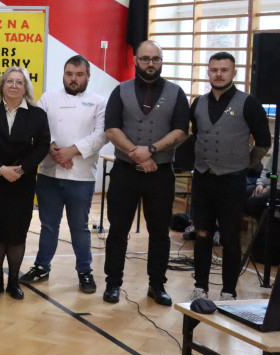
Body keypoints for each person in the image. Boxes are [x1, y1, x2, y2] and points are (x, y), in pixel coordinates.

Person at [102, 40, 189, 306]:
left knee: (160, 232)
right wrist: (135, 152)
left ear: (161, 61)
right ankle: (113, 283)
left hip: (160, 174)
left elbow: (181, 130)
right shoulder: (120, 90)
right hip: (125, 172)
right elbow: (111, 128)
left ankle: (157, 285)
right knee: (118, 230)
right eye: (145, 59)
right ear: (136, 61)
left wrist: (151, 150)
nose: (151, 63)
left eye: (155, 59)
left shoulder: (176, 93)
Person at [20, 55, 107, 294]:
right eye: (69, 74)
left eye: (79, 75)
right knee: (48, 225)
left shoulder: (99, 102)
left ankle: (85, 271)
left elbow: (101, 135)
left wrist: (72, 151)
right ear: (63, 75)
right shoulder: (48, 98)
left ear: (88, 76)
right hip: (50, 172)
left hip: (81, 175)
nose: (73, 79)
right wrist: (53, 149)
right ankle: (42, 266)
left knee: (79, 227)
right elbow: (37, 126)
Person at [188, 52, 270, 301]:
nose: (219, 74)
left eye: (224, 70)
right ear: (208, 72)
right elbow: (196, 135)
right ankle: (200, 286)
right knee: (202, 234)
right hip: (203, 180)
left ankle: (228, 291)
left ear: (234, 73)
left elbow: (263, 143)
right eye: (214, 69)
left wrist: (244, 164)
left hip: (232, 182)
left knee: (231, 239)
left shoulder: (249, 103)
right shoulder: (198, 103)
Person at [0, 67, 50, 300]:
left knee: (17, 234)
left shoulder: (38, 115)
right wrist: (0, 169)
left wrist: (21, 169)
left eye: (19, 82)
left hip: (22, 182)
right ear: (2, 85)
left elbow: (43, 145)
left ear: (26, 87)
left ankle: (14, 281)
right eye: (10, 81)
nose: (14, 86)